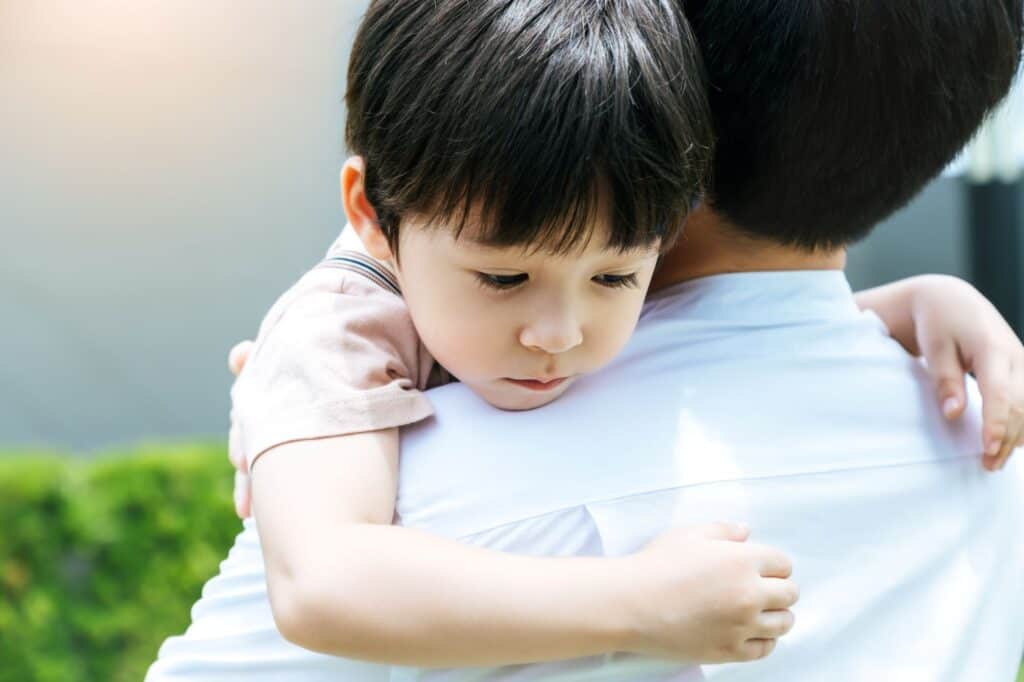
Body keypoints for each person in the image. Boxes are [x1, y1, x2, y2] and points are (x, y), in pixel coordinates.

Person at [149, 0, 1024, 680]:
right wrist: (633, 601)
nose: (556, 335)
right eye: (502, 279)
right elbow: (323, 579)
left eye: (614, 277)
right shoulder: (983, 456)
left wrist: (909, 302)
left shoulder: (450, 487)